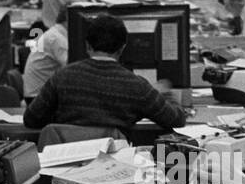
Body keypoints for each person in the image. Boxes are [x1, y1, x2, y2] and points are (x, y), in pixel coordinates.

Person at [24, 14, 187, 137]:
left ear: (87, 45)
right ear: (122, 49)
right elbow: (176, 120)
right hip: (113, 168)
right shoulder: (137, 86)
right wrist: (165, 93)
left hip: (63, 170)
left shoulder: (61, 77)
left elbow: (31, 119)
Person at [22, 20, 68, 99]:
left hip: (37, 95)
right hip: (37, 99)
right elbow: (73, 67)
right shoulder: (56, 38)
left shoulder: (55, 33)